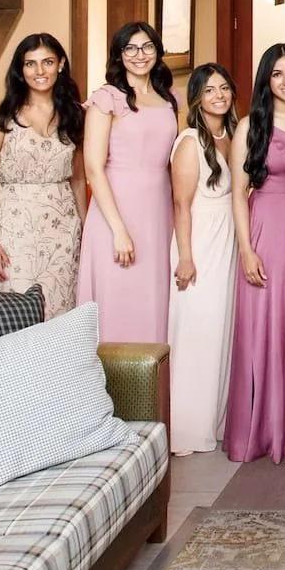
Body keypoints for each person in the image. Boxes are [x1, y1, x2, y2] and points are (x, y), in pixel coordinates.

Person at [225, 43, 285, 464]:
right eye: (278, 73)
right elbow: (238, 196)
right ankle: (261, 432)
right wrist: (246, 249)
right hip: (266, 230)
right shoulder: (249, 126)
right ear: (266, 79)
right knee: (265, 326)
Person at [0, 31, 86, 317]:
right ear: (20, 70)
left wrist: (87, 231)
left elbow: (79, 180)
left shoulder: (74, 115)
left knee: (60, 312)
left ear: (60, 64)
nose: (39, 71)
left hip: (63, 232)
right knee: (17, 313)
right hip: (14, 232)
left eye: (47, 62)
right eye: (30, 63)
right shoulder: (3, 114)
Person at [75, 21, 179, 342]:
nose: (139, 55)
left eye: (147, 47)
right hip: (116, 210)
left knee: (156, 298)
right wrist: (118, 229)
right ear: (119, 55)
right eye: (130, 48)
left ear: (157, 51)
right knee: (119, 300)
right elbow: (93, 168)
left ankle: (152, 386)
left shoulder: (169, 97)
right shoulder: (106, 99)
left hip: (159, 211)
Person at [167, 63, 239, 454]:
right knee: (198, 330)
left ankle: (217, 419)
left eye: (224, 88)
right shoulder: (190, 141)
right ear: (196, 97)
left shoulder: (232, 135)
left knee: (221, 331)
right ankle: (188, 426)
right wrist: (186, 256)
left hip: (228, 238)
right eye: (210, 89)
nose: (219, 96)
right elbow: (181, 203)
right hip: (200, 241)